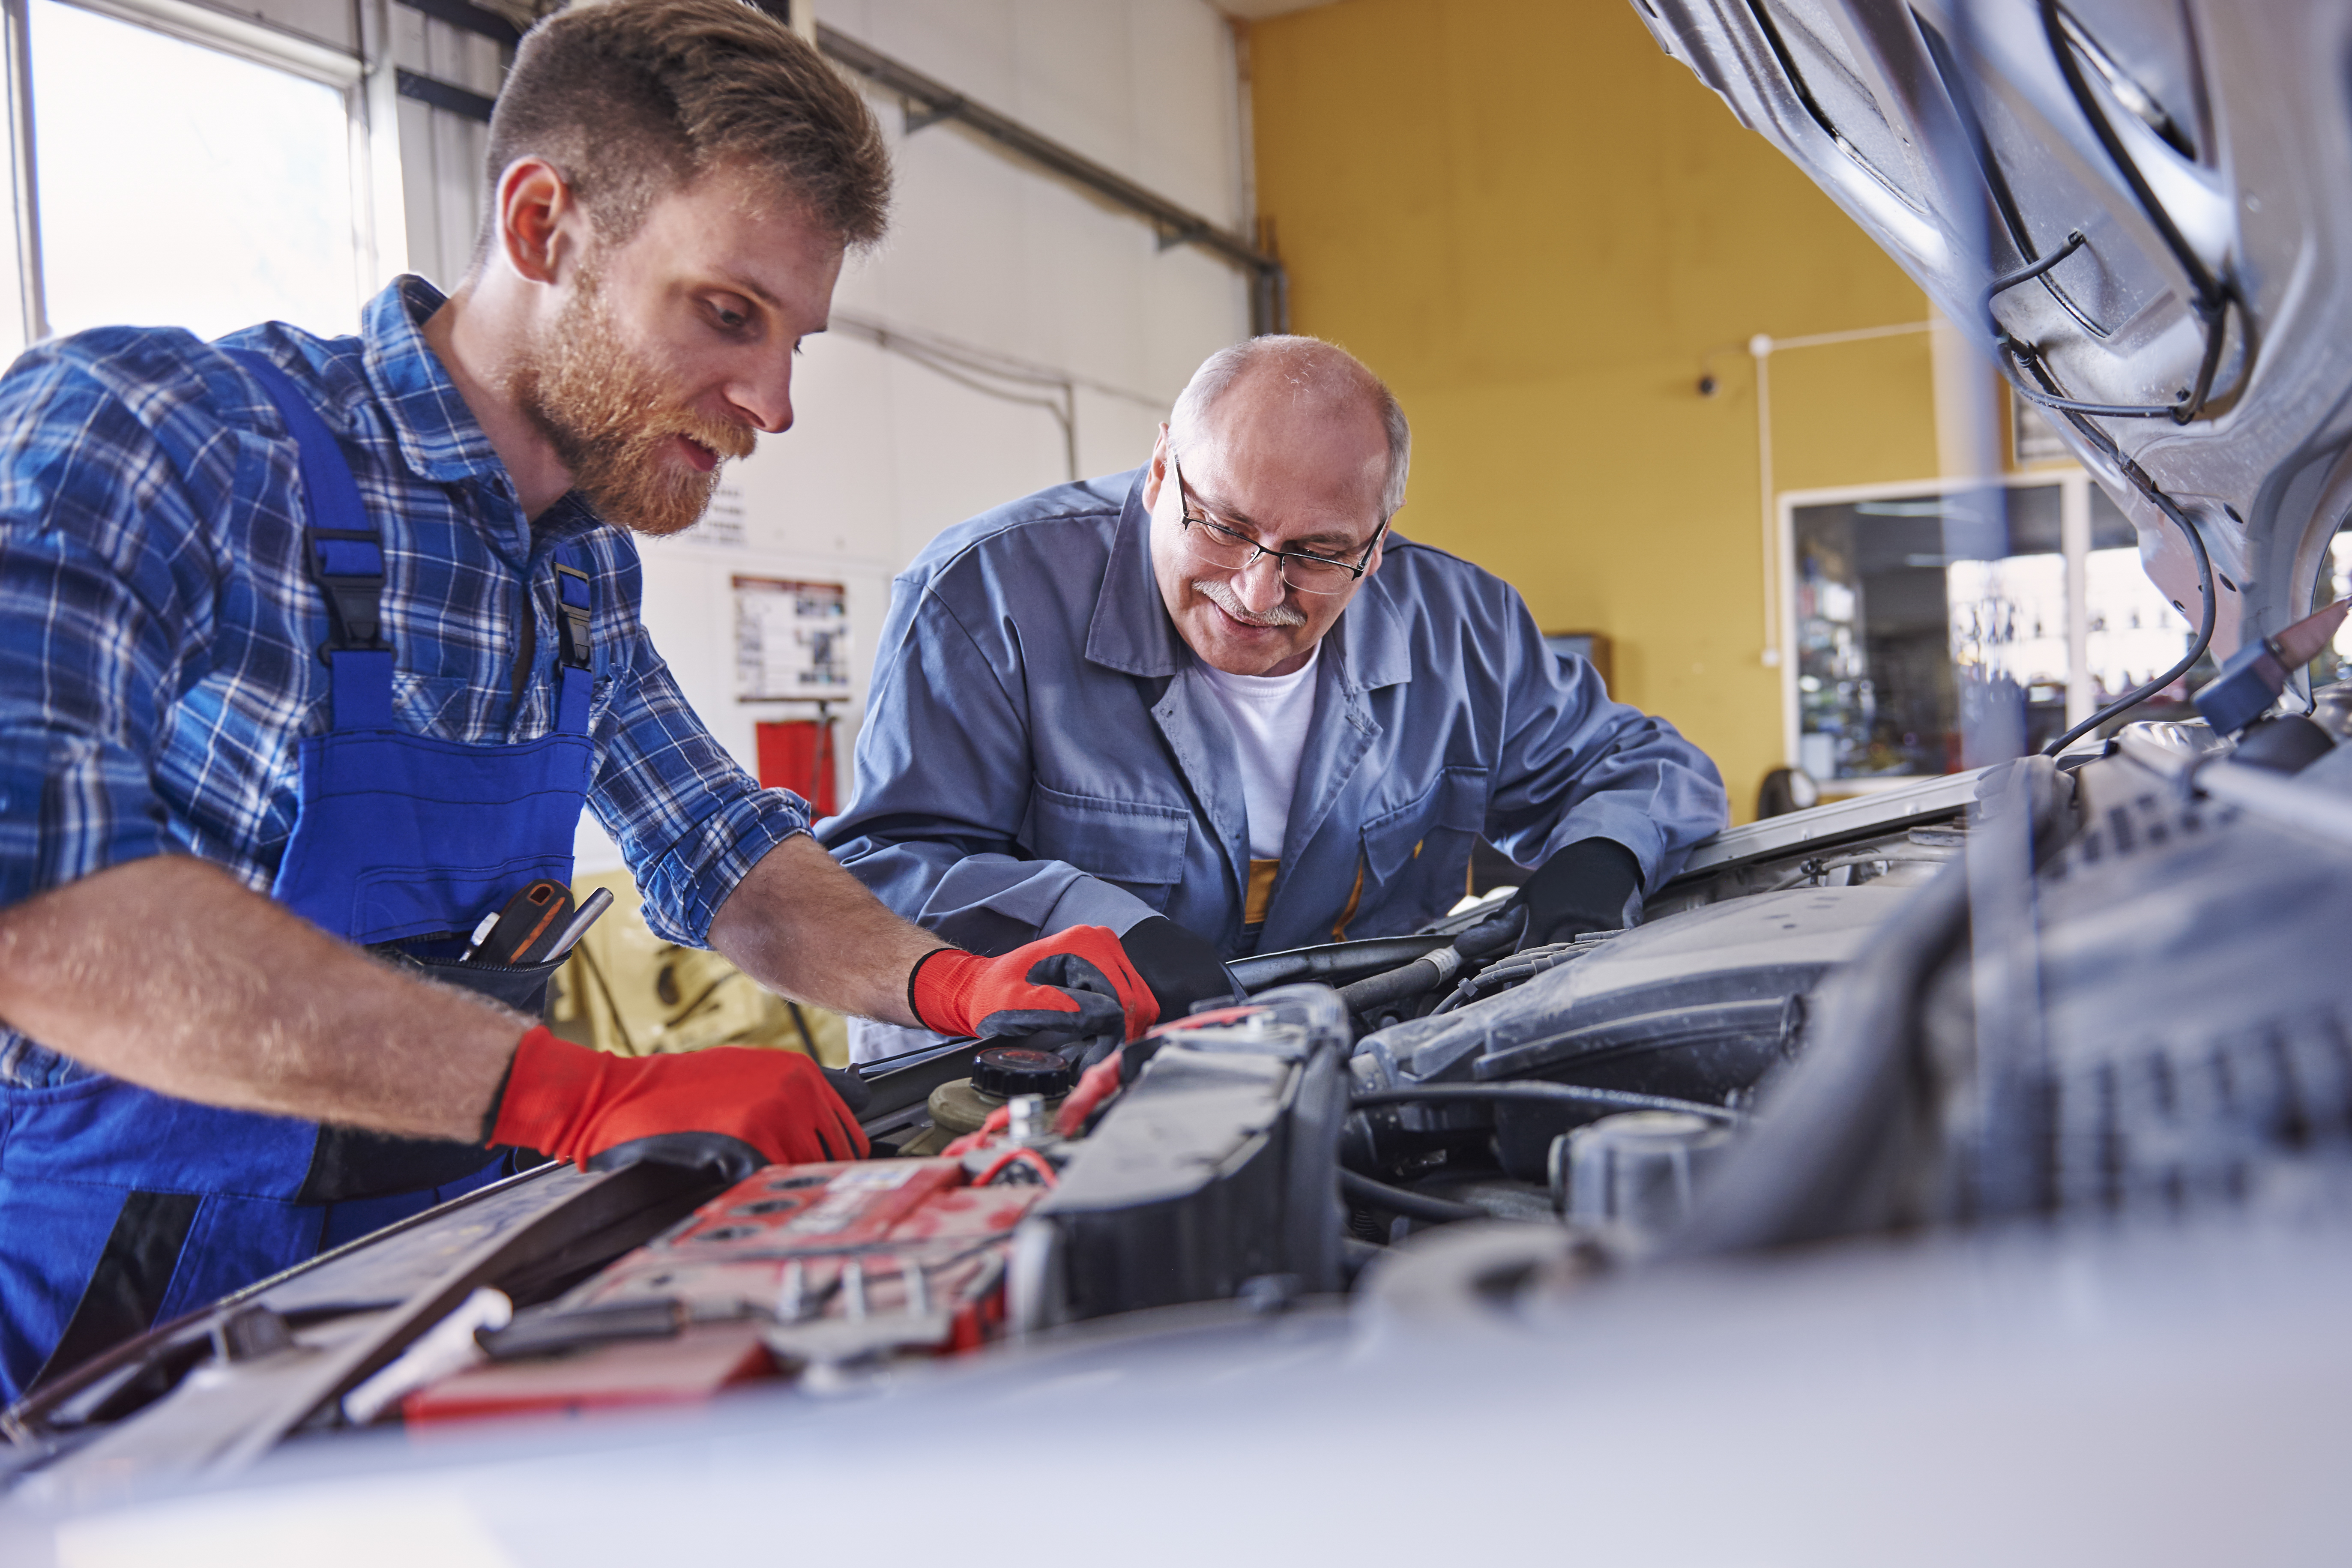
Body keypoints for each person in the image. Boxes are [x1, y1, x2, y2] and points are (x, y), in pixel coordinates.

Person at [0, 0, 1157, 1401]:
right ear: (543, 225)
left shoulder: (580, 565)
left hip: (425, 1287)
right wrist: (580, 1091)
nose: (774, 403)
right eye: (728, 314)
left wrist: (946, 980)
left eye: (795, 338)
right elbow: (39, 912)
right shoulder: (160, 435)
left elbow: (711, 842)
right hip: (94, 1337)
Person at [823, 336, 1730, 1060]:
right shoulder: (987, 596)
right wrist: (1091, 923)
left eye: (1319, 551)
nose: (1259, 592)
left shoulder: (1465, 629)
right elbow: (888, 870)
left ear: (1377, 546)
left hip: (1347, 1078)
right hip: (1042, 1085)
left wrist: (1601, 861)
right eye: (1224, 528)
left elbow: (1644, 768)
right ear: (1158, 475)